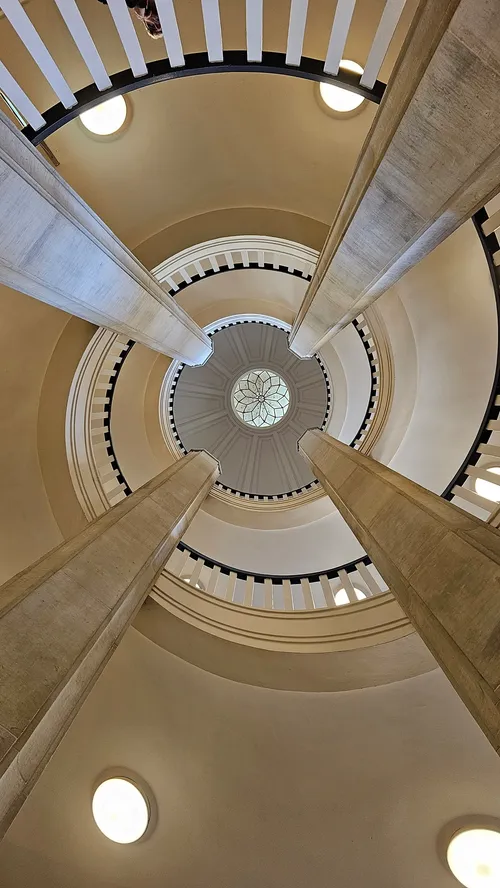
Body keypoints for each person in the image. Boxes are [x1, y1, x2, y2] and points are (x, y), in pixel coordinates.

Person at [97, 0, 162, 39]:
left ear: (144, 20)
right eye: (160, 23)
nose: (155, 22)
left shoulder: (126, 2)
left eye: (151, 25)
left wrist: (140, 4)